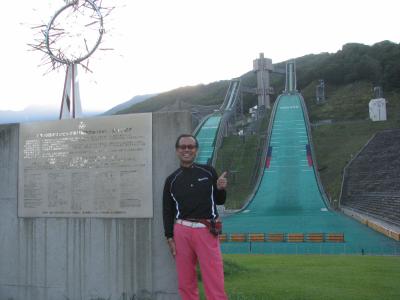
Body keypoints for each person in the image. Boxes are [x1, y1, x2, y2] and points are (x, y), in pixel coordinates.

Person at [163, 134, 228, 300]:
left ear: (196, 150)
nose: (186, 150)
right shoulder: (171, 180)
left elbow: (219, 200)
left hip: (206, 230)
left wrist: (221, 189)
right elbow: (167, 210)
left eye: (190, 147)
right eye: (183, 147)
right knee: (185, 281)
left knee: (214, 278)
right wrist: (169, 236)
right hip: (181, 231)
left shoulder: (209, 172)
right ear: (177, 151)